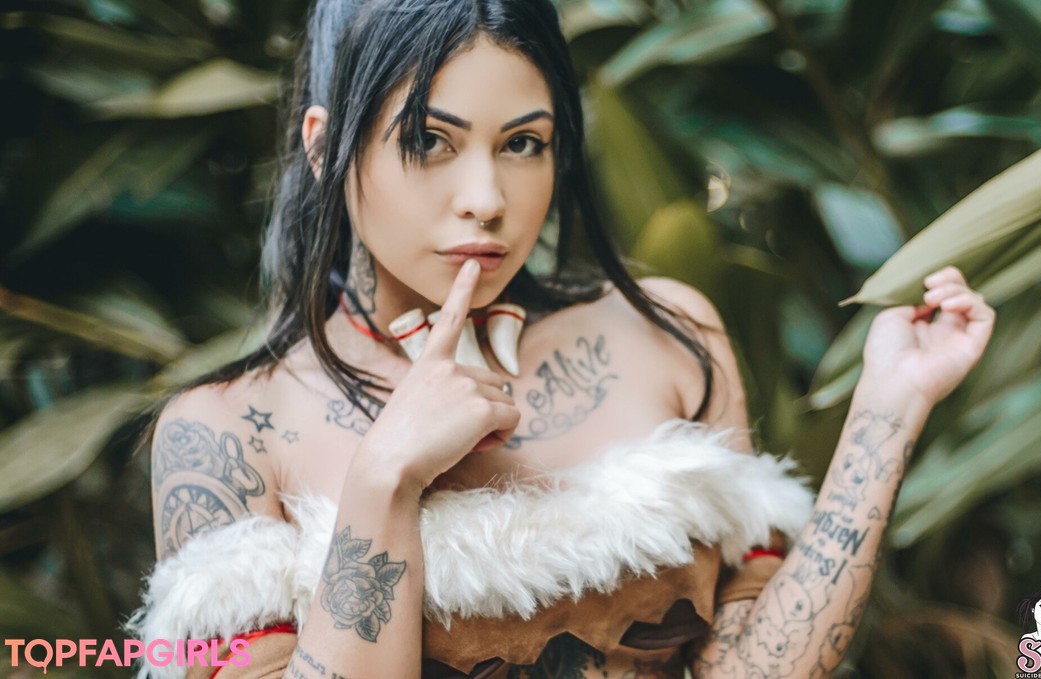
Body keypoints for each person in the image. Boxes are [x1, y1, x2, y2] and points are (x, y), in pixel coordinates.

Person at [127, 0, 995, 676]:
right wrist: (384, 480)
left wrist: (887, 411)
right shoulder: (228, 433)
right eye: (429, 139)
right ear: (325, 148)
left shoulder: (666, 334)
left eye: (523, 144)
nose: (486, 199)